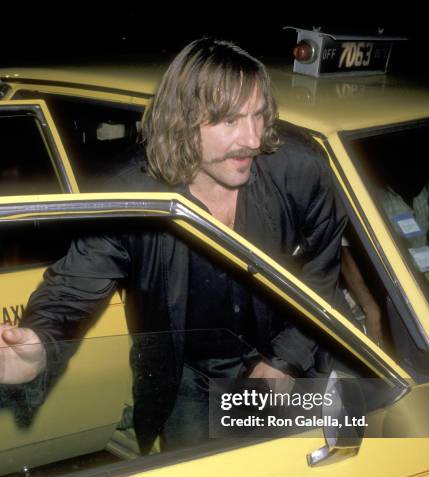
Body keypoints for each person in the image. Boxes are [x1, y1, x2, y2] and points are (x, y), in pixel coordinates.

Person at [0, 38, 346, 451]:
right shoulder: (136, 198)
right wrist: (41, 343)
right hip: (192, 379)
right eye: (230, 122)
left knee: (323, 473)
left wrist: (285, 360)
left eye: (258, 116)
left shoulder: (299, 171)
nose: (253, 139)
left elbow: (323, 268)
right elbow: (73, 286)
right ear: (182, 121)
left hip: (295, 354)